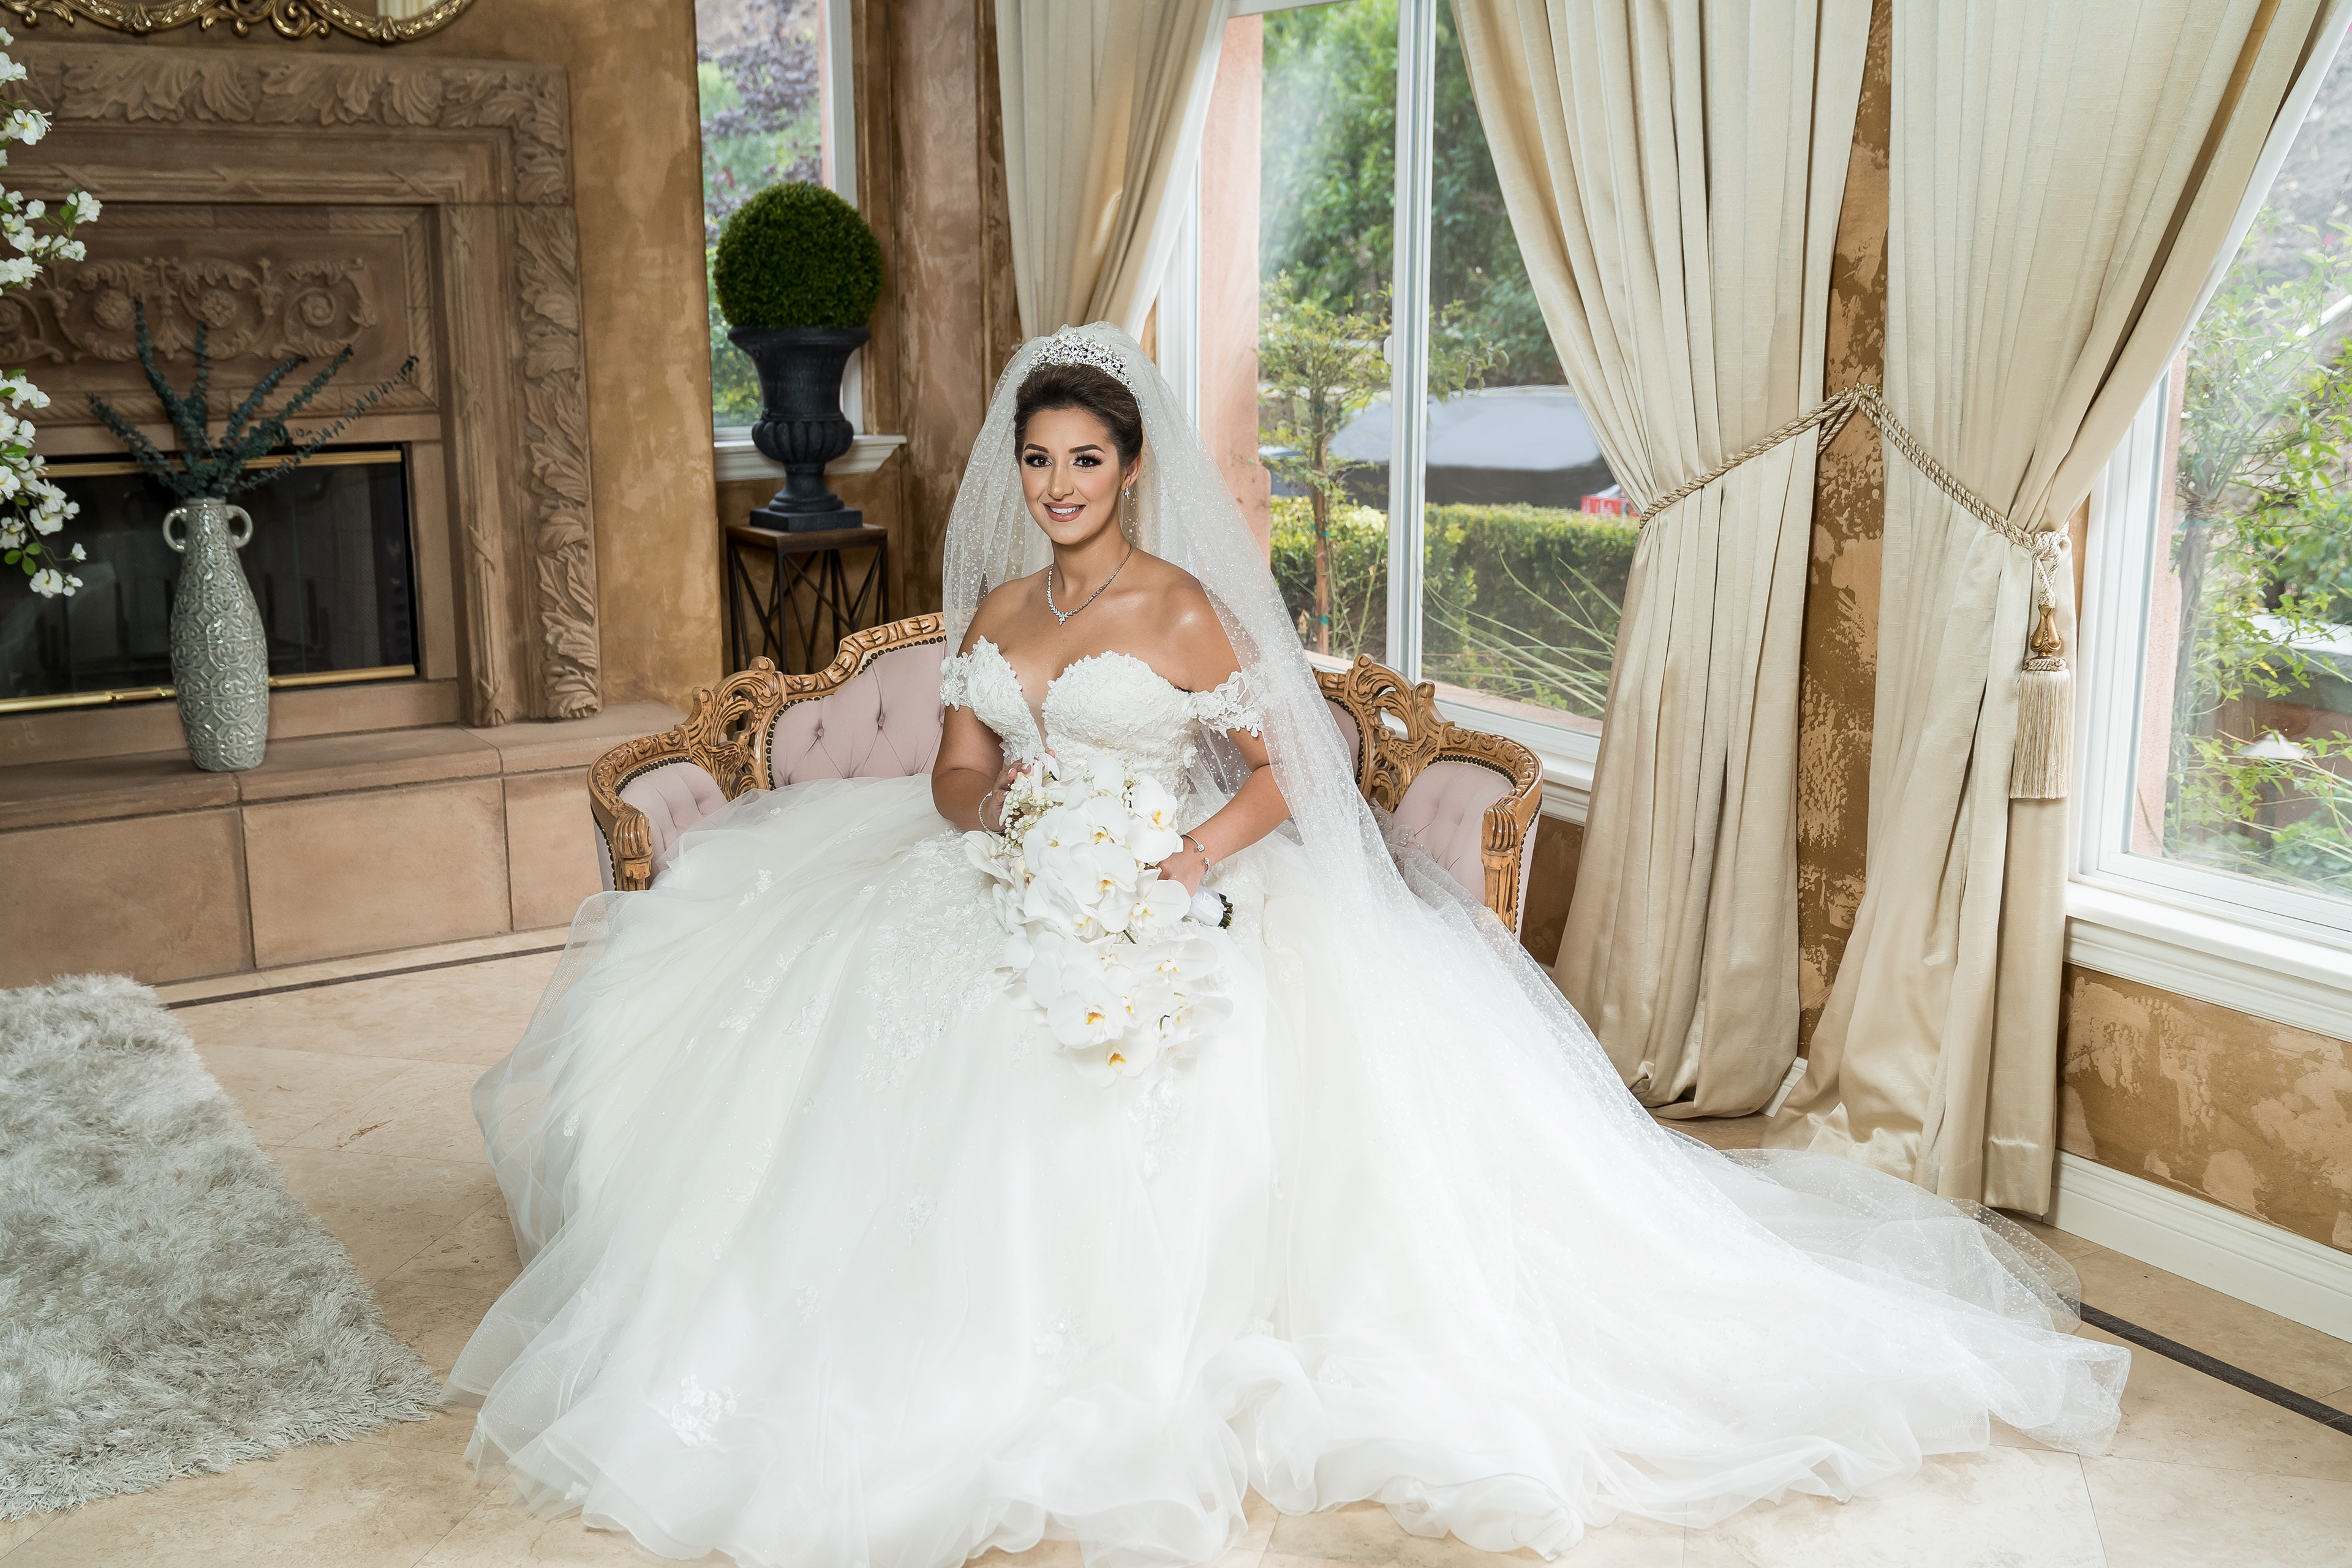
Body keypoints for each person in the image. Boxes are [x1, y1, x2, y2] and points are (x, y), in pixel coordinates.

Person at [453, 325, 2125, 1568]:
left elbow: (1280, 779)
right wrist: (1007, 817)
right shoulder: (1000, 613)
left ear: (1131, 470)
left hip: (1175, 883)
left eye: (1084, 462)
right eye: (1037, 463)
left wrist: (1167, 861)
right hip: (1008, 877)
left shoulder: (1183, 609)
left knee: (1157, 1084)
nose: (1057, 488)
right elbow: (958, 771)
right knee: (858, 1042)